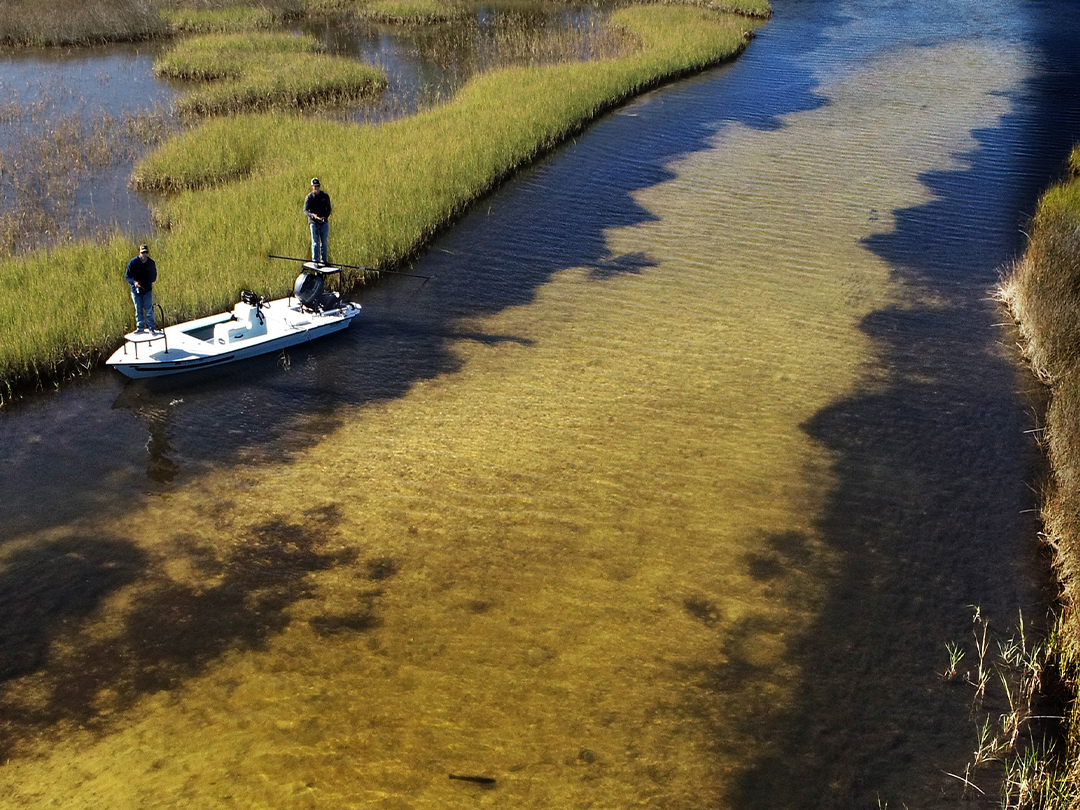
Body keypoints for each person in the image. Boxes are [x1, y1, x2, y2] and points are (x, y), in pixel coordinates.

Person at [125, 244, 158, 334]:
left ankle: (151, 328)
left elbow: (154, 277)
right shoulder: (133, 263)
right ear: (139, 252)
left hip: (147, 290)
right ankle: (140, 328)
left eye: (146, 252)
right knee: (138, 310)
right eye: (143, 252)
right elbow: (127, 277)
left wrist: (145, 281)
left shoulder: (151, 263)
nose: (144, 254)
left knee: (149, 309)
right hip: (136, 291)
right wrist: (134, 282)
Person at [303, 177, 332, 265]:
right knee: (315, 242)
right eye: (314, 186)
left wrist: (325, 217)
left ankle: (324, 261)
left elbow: (329, 209)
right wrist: (313, 215)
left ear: (320, 186)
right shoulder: (309, 197)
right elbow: (305, 210)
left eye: (317, 186)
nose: (316, 188)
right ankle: (315, 261)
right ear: (312, 187)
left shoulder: (325, 196)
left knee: (324, 242)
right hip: (313, 223)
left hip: (323, 223)